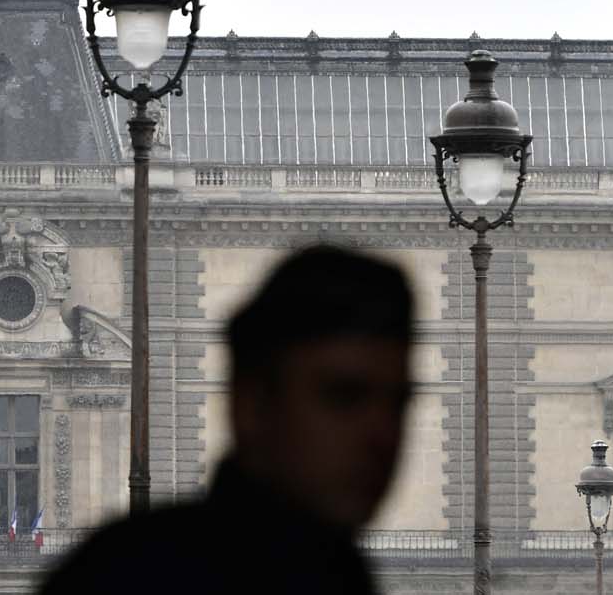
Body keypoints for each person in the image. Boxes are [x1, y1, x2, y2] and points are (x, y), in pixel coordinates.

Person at [40, 244, 414, 595]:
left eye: (397, 403)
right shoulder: (126, 578)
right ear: (250, 405)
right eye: (343, 397)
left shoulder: (341, 574)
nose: (382, 434)